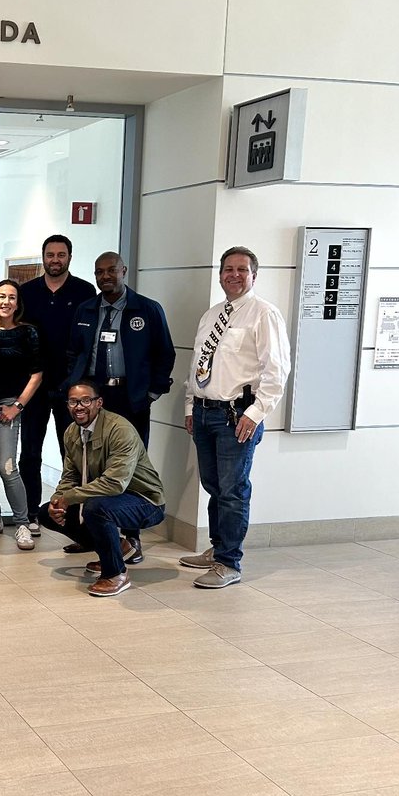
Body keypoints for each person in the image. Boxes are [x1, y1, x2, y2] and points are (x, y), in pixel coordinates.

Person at [182, 246, 291, 588]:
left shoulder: (264, 314)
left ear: (253, 276)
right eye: (228, 269)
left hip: (236, 417)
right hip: (204, 413)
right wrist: (190, 406)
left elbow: (277, 371)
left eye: (242, 270)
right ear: (220, 275)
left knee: (233, 490)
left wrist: (255, 414)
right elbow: (199, 363)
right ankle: (218, 549)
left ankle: (229, 562)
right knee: (214, 487)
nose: (234, 275)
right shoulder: (211, 315)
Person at [63, 251, 175, 557]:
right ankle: (90, 534)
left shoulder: (147, 309)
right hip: (94, 398)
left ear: (123, 271)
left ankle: (131, 541)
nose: (106, 277)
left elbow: (165, 353)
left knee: (129, 469)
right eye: (100, 272)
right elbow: (74, 351)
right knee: (88, 462)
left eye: (111, 270)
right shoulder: (87, 309)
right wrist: (76, 385)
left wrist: (152, 392)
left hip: (131, 397)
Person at [41, 380, 167, 597]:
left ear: (98, 403)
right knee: (46, 513)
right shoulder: (72, 431)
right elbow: (70, 475)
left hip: (144, 500)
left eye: (85, 401)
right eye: (73, 402)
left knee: (95, 508)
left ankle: (115, 573)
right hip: (105, 498)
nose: (79, 407)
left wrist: (70, 497)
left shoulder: (120, 430)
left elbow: (115, 483)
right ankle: (119, 547)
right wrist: (58, 500)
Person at [19, 234, 96, 535]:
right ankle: (30, 515)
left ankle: (74, 518)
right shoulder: (27, 292)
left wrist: (79, 383)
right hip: (34, 387)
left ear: (69, 257)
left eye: (61, 255)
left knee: (73, 456)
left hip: (71, 389)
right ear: (43, 257)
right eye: (50, 255)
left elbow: (88, 344)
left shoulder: (84, 291)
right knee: (30, 454)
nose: (55, 260)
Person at [0, 280, 41, 551]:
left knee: (7, 467)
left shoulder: (28, 333)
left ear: (18, 304)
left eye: (12, 297)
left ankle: (22, 522)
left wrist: (17, 406)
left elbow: (36, 375)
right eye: (2, 296)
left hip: (8, 405)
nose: (6, 302)